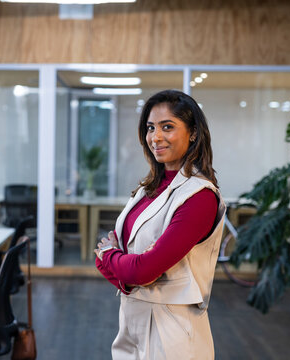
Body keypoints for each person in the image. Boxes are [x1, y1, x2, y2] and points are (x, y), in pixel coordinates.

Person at [95, 89, 225, 360]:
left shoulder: (199, 196)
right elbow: (133, 270)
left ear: (192, 133)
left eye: (168, 127)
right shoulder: (148, 188)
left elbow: (141, 269)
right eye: (150, 127)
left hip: (172, 332)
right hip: (132, 320)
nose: (156, 137)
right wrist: (127, 271)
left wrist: (111, 257)